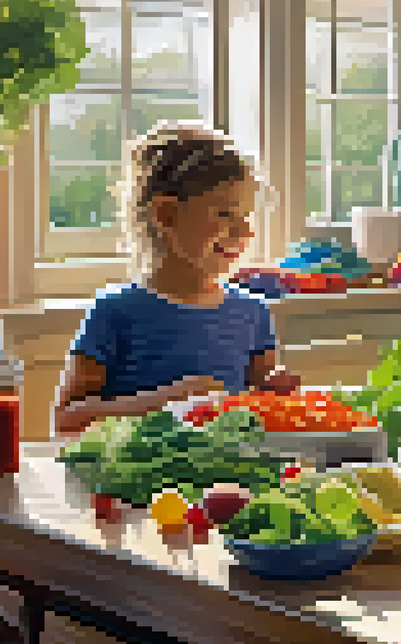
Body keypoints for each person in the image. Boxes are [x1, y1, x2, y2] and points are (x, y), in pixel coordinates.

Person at [54, 122, 300, 439]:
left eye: (247, 217)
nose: (245, 232)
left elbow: (259, 410)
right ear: (166, 215)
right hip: (137, 481)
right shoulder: (114, 312)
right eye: (225, 215)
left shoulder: (253, 314)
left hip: (227, 483)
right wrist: (165, 401)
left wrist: (276, 392)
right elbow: (66, 419)